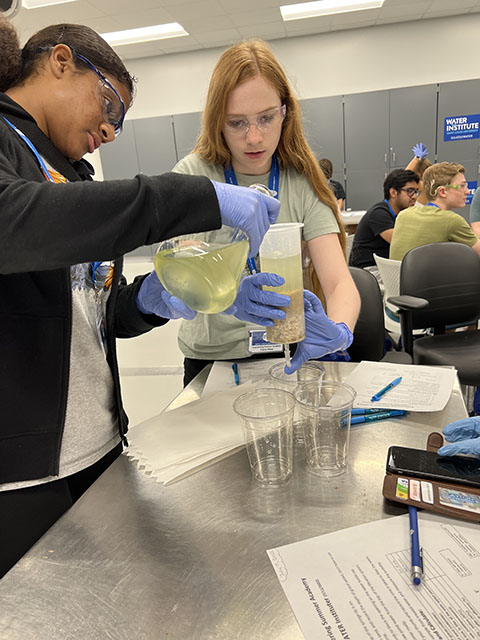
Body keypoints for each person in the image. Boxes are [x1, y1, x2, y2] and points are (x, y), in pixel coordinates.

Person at [0, 19, 281, 578]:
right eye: (109, 105)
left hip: (98, 449)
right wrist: (195, 197)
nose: (109, 130)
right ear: (60, 61)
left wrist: (156, 298)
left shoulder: (72, 177)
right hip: (20, 478)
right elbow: (13, 224)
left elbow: (93, 315)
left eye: (119, 121)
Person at [172, 39, 360, 386]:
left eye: (266, 118)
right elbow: (180, 275)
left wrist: (339, 332)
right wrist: (227, 296)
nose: (254, 137)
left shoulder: (300, 179)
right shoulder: (194, 175)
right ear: (217, 121)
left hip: (285, 351)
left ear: (285, 112)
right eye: (237, 123)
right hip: (211, 360)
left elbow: (339, 283)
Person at [390, 162, 480, 260]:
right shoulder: (451, 220)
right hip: (426, 275)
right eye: (462, 186)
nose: (467, 191)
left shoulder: (403, 215)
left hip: (397, 274)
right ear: (442, 192)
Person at [349, 169, 420, 269]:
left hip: (385, 266)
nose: (415, 196)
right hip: (367, 270)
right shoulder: (379, 213)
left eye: (416, 191)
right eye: (410, 191)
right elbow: (400, 243)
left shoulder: (400, 213)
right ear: (393, 192)